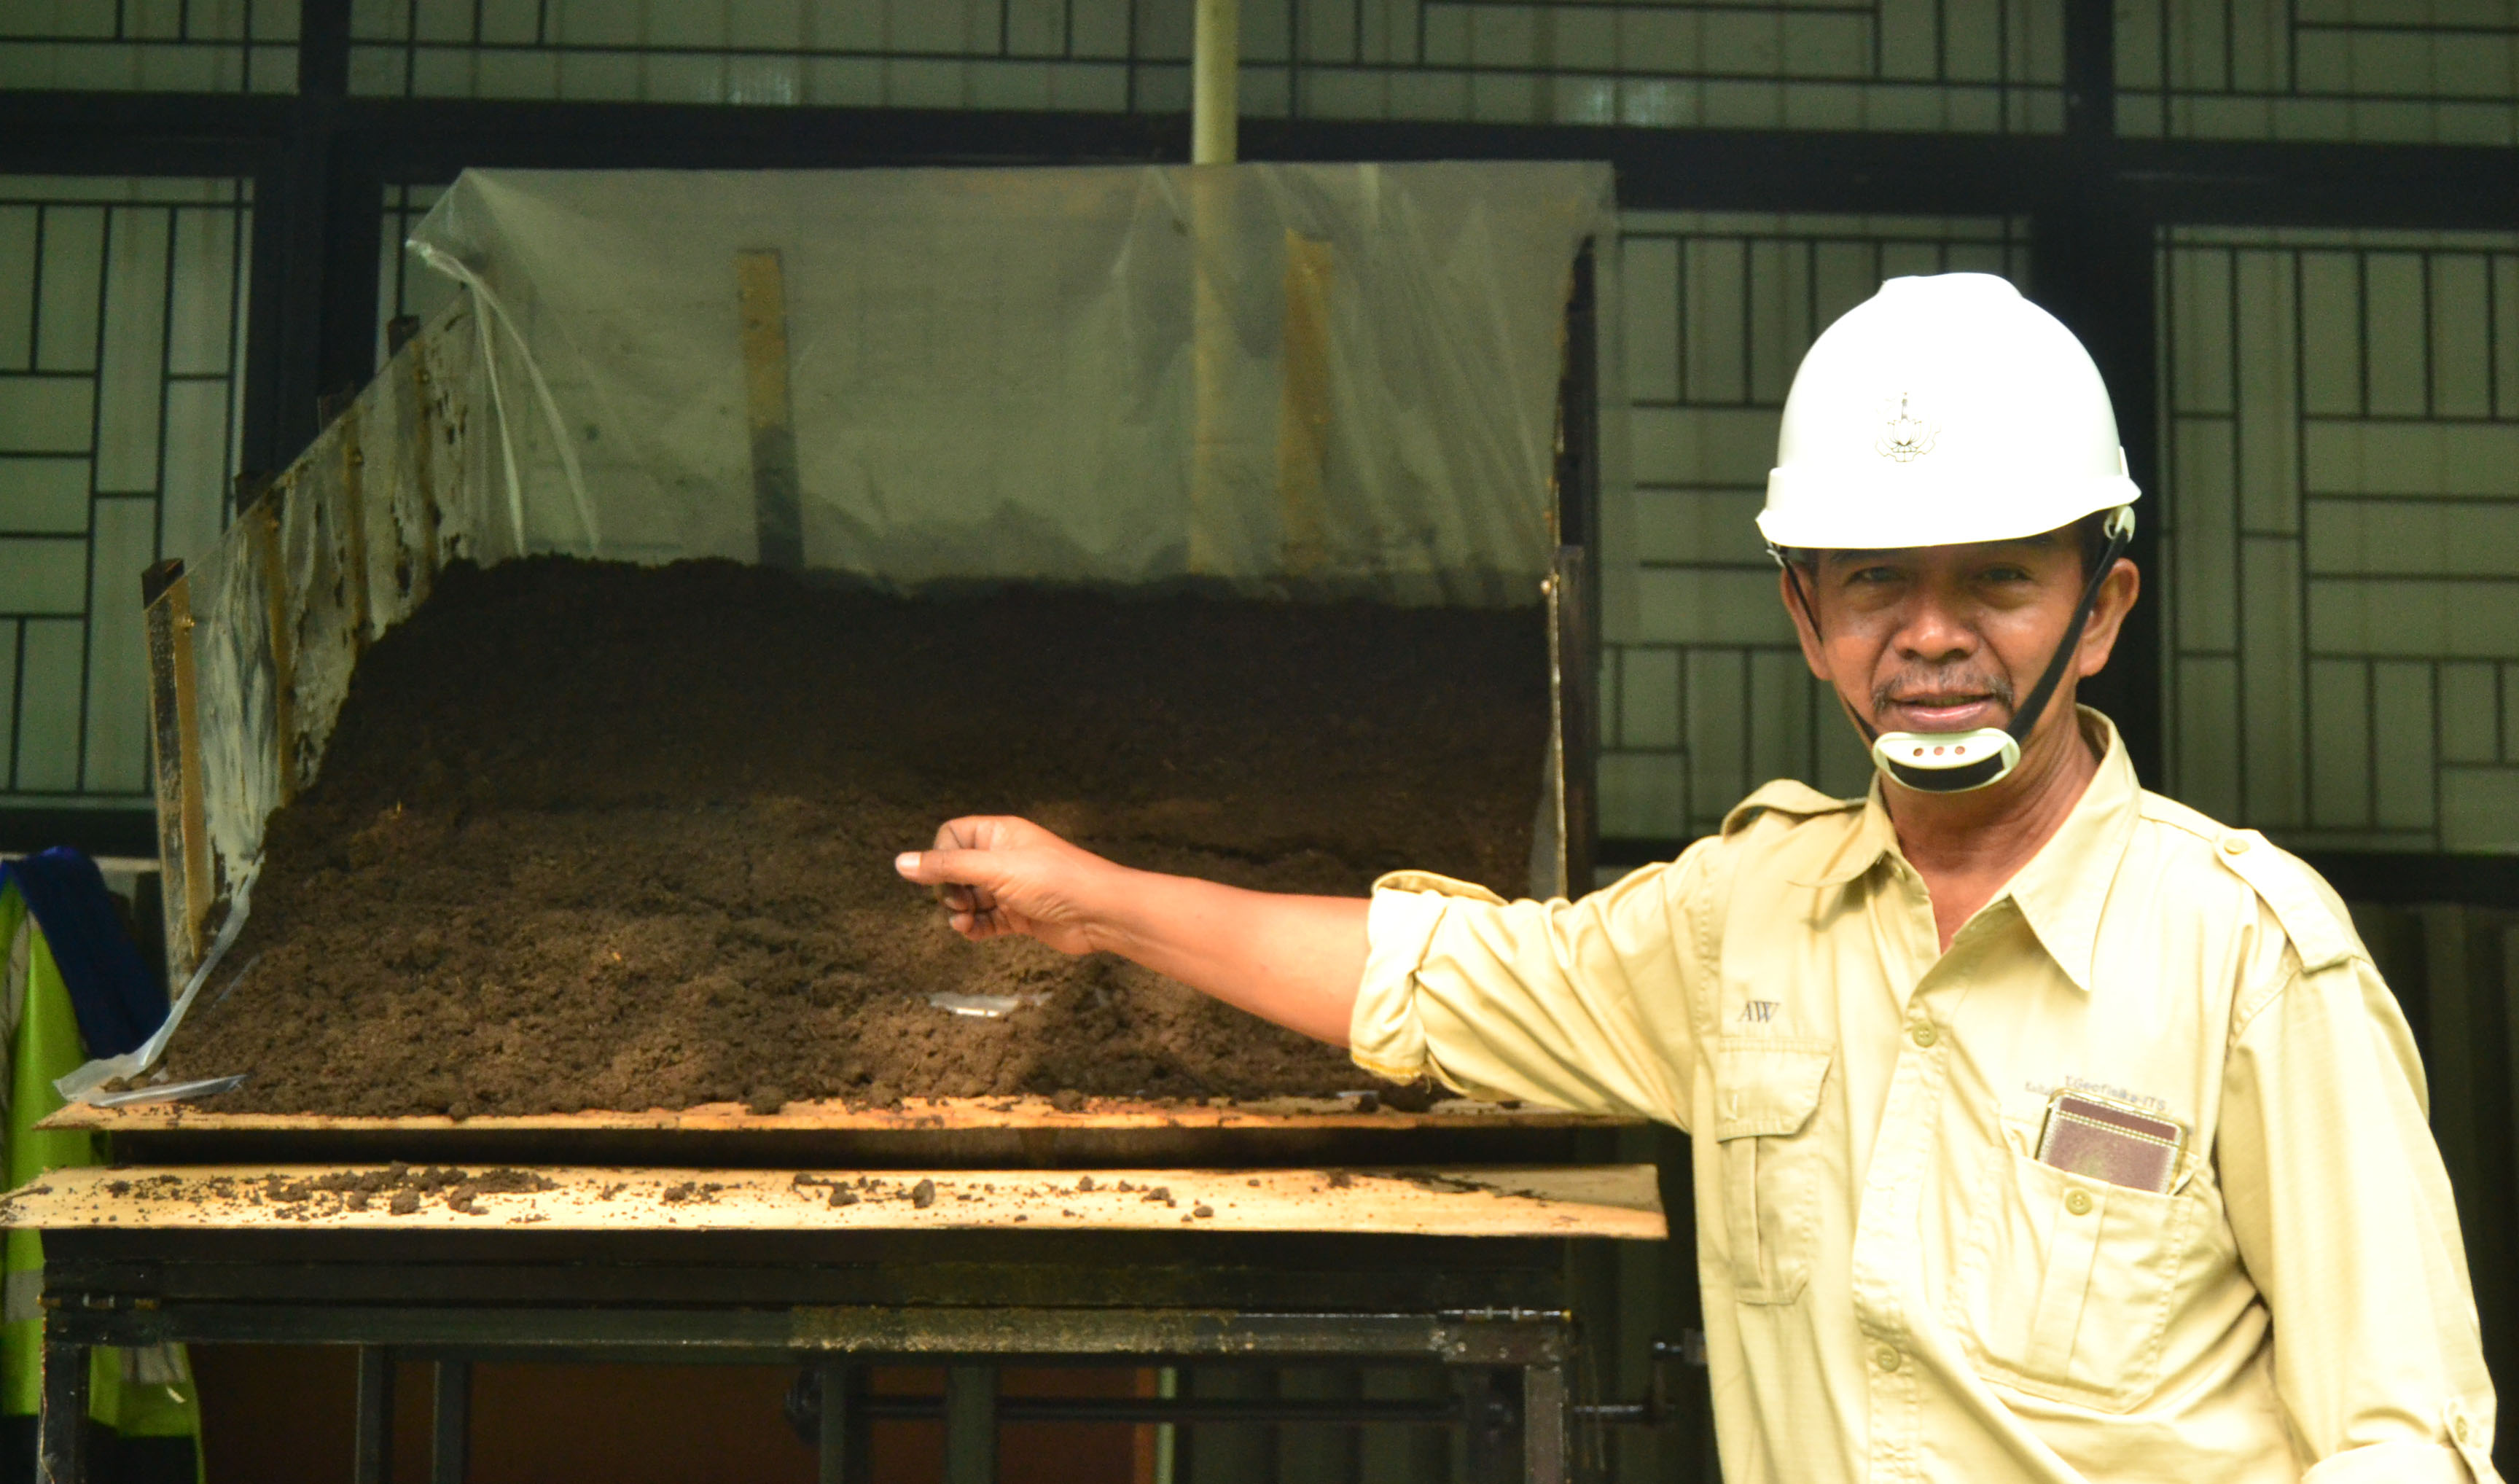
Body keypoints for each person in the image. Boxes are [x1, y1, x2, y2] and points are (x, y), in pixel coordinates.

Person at [895, 273, 2502, 1483]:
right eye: (1878, 579)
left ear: (2100, 610)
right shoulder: (1746, 919)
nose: (1932, 635)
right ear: (1808, 620)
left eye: (2000, 580)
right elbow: (1442, 981)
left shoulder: (2247, 954)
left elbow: (2402, 1434)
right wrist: (1087, 896)